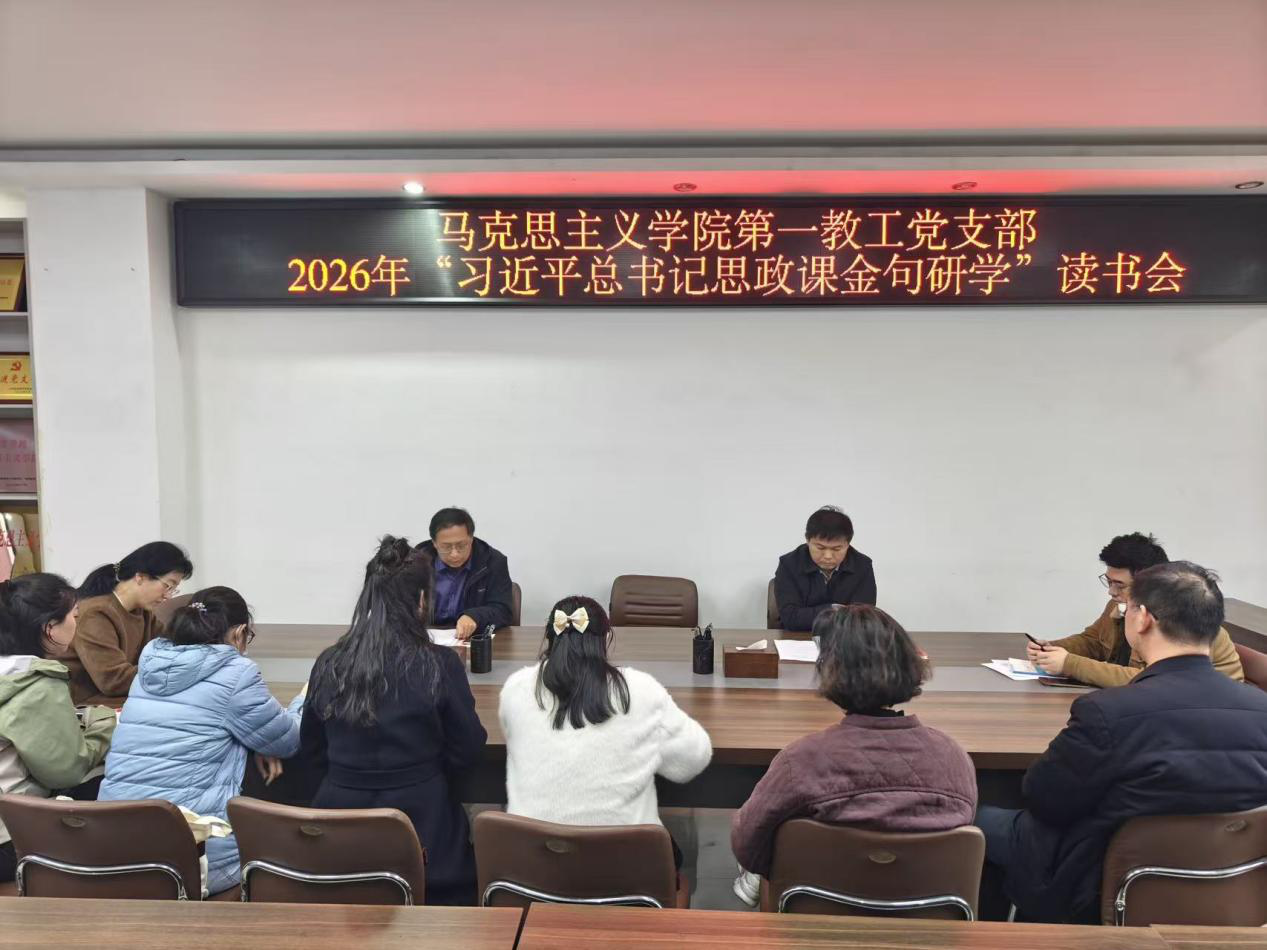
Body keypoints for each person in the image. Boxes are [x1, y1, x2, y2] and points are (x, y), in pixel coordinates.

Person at [978, 561, 1267, 924]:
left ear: (1142, 618)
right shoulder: (1261, 709)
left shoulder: (1109, 712)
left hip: (1097, 885)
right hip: (1229, 886)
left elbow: (1043, 798)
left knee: (975, 820)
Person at [729, 605, 977, 905]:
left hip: (814, 921)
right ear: (909, 662)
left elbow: (746, 843)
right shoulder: (955, 759)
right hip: (926, 922)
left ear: (829, 670)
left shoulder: (800, 761)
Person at [301, 537, 486, 905]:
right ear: (422, 601)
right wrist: (431, 777)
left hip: (338, 833)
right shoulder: (439, 663)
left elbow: (312, 747)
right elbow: (468, 747)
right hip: (425, 830)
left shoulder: (330, 661)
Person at [98, 587, 300, 896]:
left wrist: (254, 740)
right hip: (190, 859)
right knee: (289, 837)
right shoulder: (236, 672)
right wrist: (303, 700)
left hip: (111, 852)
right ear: (239, 633)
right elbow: (287, 741)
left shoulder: (150, 665)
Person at [499, 595, 712, 869]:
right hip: (625, 872)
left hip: (530, 870)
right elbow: (693, 760)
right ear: (606, 639)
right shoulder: (640, 690)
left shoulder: (515, 688)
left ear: (550, 637)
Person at [0, 573, 117, 883]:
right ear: (49, 628)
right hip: (8, 842)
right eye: (75, 616)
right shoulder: (35, 682)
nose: (78, 624)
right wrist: (105, 724)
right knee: (102, 776)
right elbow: (64, 771)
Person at [1028, 533, 1243, 686]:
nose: (1111, 592)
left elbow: (1152, 680)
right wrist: (1051, 650)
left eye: (1120, 585)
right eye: (1108, 581)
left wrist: (1070, 664)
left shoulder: (1180, 621)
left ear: (1148, 583)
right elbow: (1094, 641)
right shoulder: (1120, 605)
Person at [64, 541, 194, 706]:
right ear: (140, 577)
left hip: (118, 698)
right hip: (88, 705)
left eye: (173, 589)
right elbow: (113, 680)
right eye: (168, 586)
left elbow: (172, 648)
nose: (168, 596)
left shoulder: (143, 612)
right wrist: (176, 674)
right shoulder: (96, 613)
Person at [414, 507, 514, 641]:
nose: (454, 554)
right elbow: (396, 608)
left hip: (472, 641)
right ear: (434, 544)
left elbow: (503, 610)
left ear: (471, 539)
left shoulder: (492, 562)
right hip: (427, 641)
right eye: (446, 547)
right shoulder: (415, 563)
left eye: (461, 545)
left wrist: (475, 616)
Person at [775, 506, 876, 631]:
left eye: (837, 549)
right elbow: (791, 618)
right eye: (820, 548)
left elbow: (863, 619)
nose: (828, 556)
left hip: (845, 638)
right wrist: (835, 609)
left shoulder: (862, 565)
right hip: (797, 637)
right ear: (808, 540)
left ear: (848, 544)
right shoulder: (789, 564)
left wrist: (811, 614)